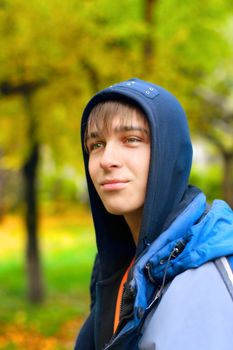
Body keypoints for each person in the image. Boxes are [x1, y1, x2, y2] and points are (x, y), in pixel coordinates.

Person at [74, 78, 233, 350]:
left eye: (131, 139)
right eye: (96, 144)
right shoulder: (119, 264)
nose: (107, 159)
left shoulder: (204, 270)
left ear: (168, 152)